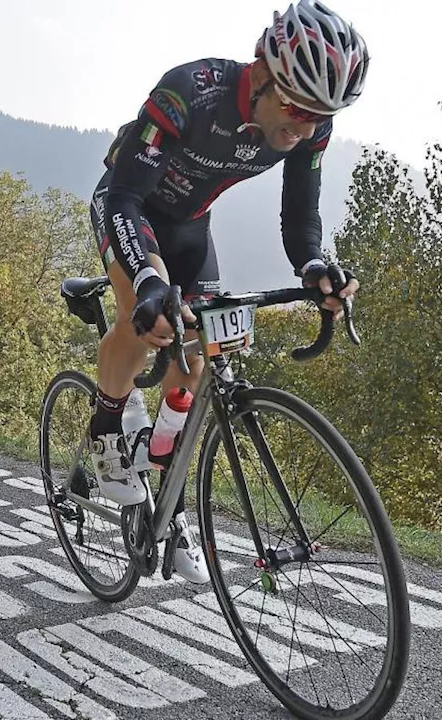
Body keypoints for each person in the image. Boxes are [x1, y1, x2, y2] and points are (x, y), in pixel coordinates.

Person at [85, 0, 368, 583]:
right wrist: (148, 281)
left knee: (197, 358)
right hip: (128, 208)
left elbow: (300, 217)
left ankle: (167, 495)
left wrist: (316, 266)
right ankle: (107, 434)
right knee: (148, 323)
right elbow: (125, 198)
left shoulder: (309, 125)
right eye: (295, 109)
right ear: (262, 71)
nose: (304, 129)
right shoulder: (190, 92)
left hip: (191, 227)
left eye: (321, 117)